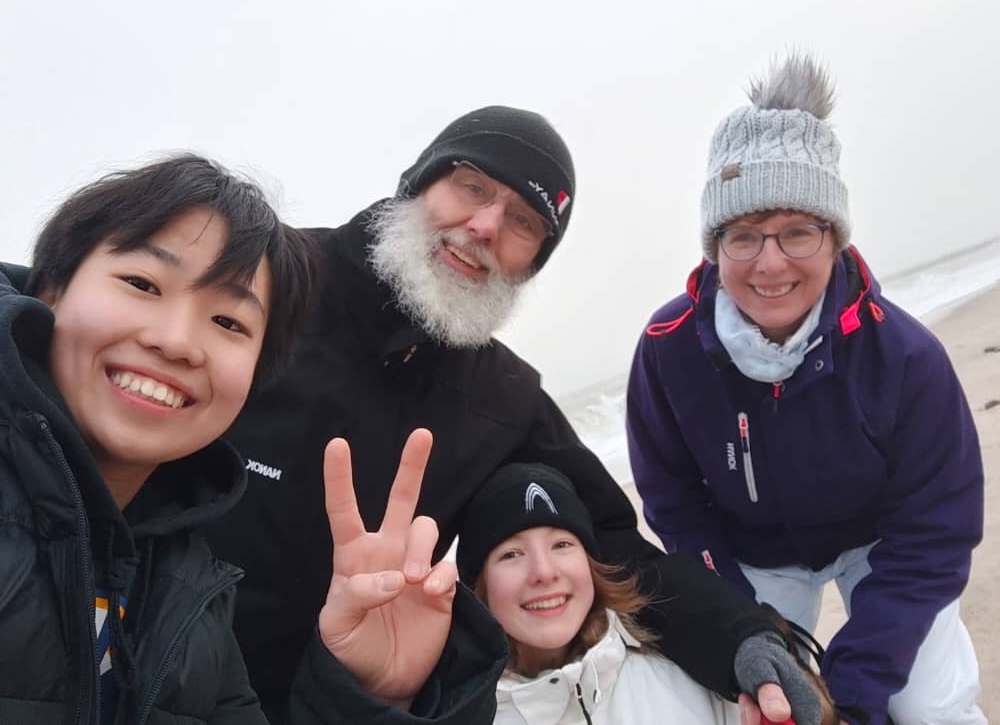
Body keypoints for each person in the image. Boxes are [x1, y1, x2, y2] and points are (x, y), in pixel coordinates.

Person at [203, 105, 827, 724]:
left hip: (324, 704)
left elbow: (616, 548)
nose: (484, 226)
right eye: (471, 186)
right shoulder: (275, 283)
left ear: (531, 264)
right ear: (419, 183)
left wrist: (741, 641)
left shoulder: (500, 397)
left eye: (523, 222)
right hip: (155, 660)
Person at [0, 155, 504, 724]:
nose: (177, 341)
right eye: (143, 284)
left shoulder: (192, 600)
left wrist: (369, 696)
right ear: (50, 290)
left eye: (228, 323)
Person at [626, 54, 986, 724]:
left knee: (926, 706)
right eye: (743, 236)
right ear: (714, 247)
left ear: (835, 238)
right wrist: (741, 627)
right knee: (750, 704)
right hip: (753, 553)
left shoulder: (905, 356)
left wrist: (850, 688)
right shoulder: (666, 349)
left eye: (797, 231)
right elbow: (674, 503)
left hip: (882, 544)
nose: (770, 263)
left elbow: (935, 531)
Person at [457, 461, 743, 723]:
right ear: (479, 586)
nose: (544, 572)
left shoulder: (692, 666)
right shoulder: (462, 714)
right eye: (511, 554)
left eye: (561, 545)